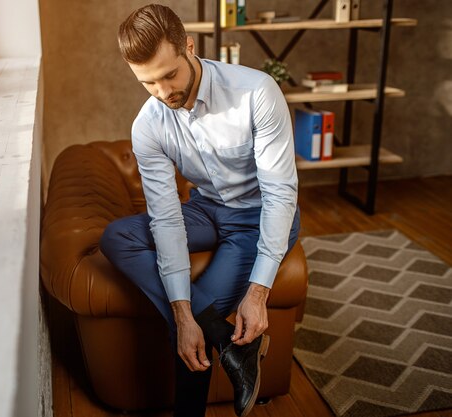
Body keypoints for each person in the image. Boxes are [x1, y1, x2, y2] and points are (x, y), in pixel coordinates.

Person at [100, 4, 300, 417]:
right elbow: (167, 218)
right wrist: (181, 310)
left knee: (194, 316)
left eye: (169, 75)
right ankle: (228, 344)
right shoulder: (149, 124)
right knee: (117, 237)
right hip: (205, 210)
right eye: (148, 83)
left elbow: (281, 195)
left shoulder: (257, 93)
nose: (163, 92)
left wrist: (258, 292)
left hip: (257, 217)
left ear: (189, 47)